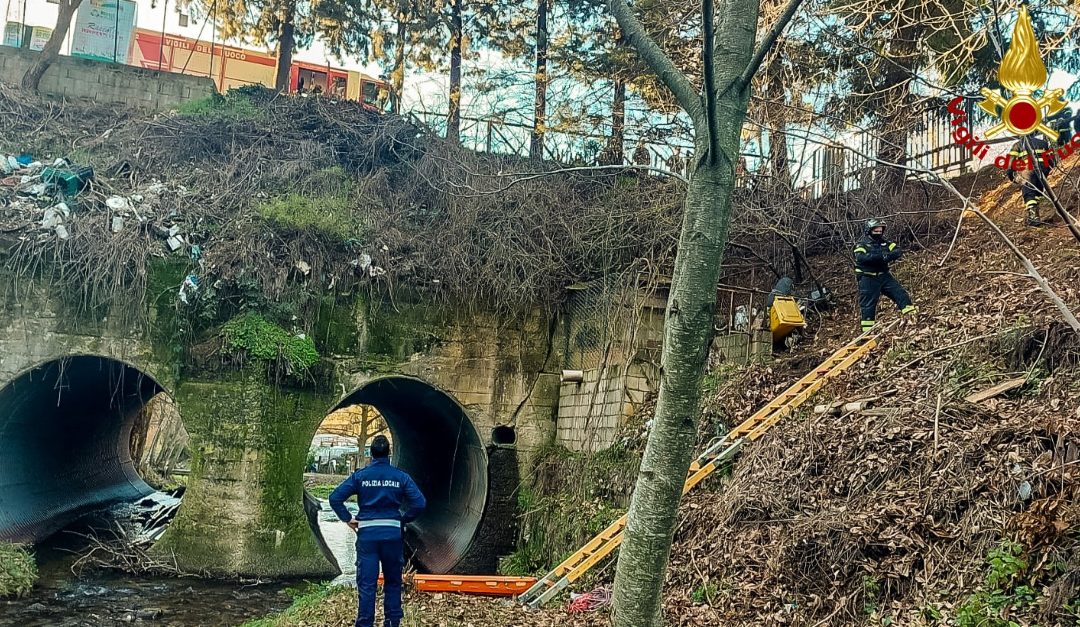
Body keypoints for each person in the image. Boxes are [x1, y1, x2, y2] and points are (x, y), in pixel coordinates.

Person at [329, 435, 426, 627]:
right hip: (392, 535)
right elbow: (420, 503)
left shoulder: (361, 476)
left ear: (371, 454)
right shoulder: (401, 477)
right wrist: (402, 519)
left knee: (367, 585)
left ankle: (365, 623)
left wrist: (348, 519)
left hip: (368, 537)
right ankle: (392, 622)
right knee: (392, 582)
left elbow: (335, 498)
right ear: (389, 453)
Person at [1006, 108, 1073, 227]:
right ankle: (1035, 216)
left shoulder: (1017, 145)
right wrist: (1048, 171)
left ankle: (1033, 217)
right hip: (1043, 171)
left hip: (1027, 170)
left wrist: (1010, 175)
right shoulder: (1043, 144)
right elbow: (1051, 160)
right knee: (1037, 193)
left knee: (1029, 193)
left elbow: (1010, 163)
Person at [853, 218, 917, 332]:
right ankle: (867, 332)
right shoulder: (862, 244)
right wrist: (881, 257)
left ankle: (912, 317)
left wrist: (888, 256)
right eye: (876, 231)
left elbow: (897, 251)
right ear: (869, 230)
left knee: (900, 294)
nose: (878, 233)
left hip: (884, 276)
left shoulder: (885, 243)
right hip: (868, 278)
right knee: (868, 306)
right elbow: (861, 257)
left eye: (880, 230)